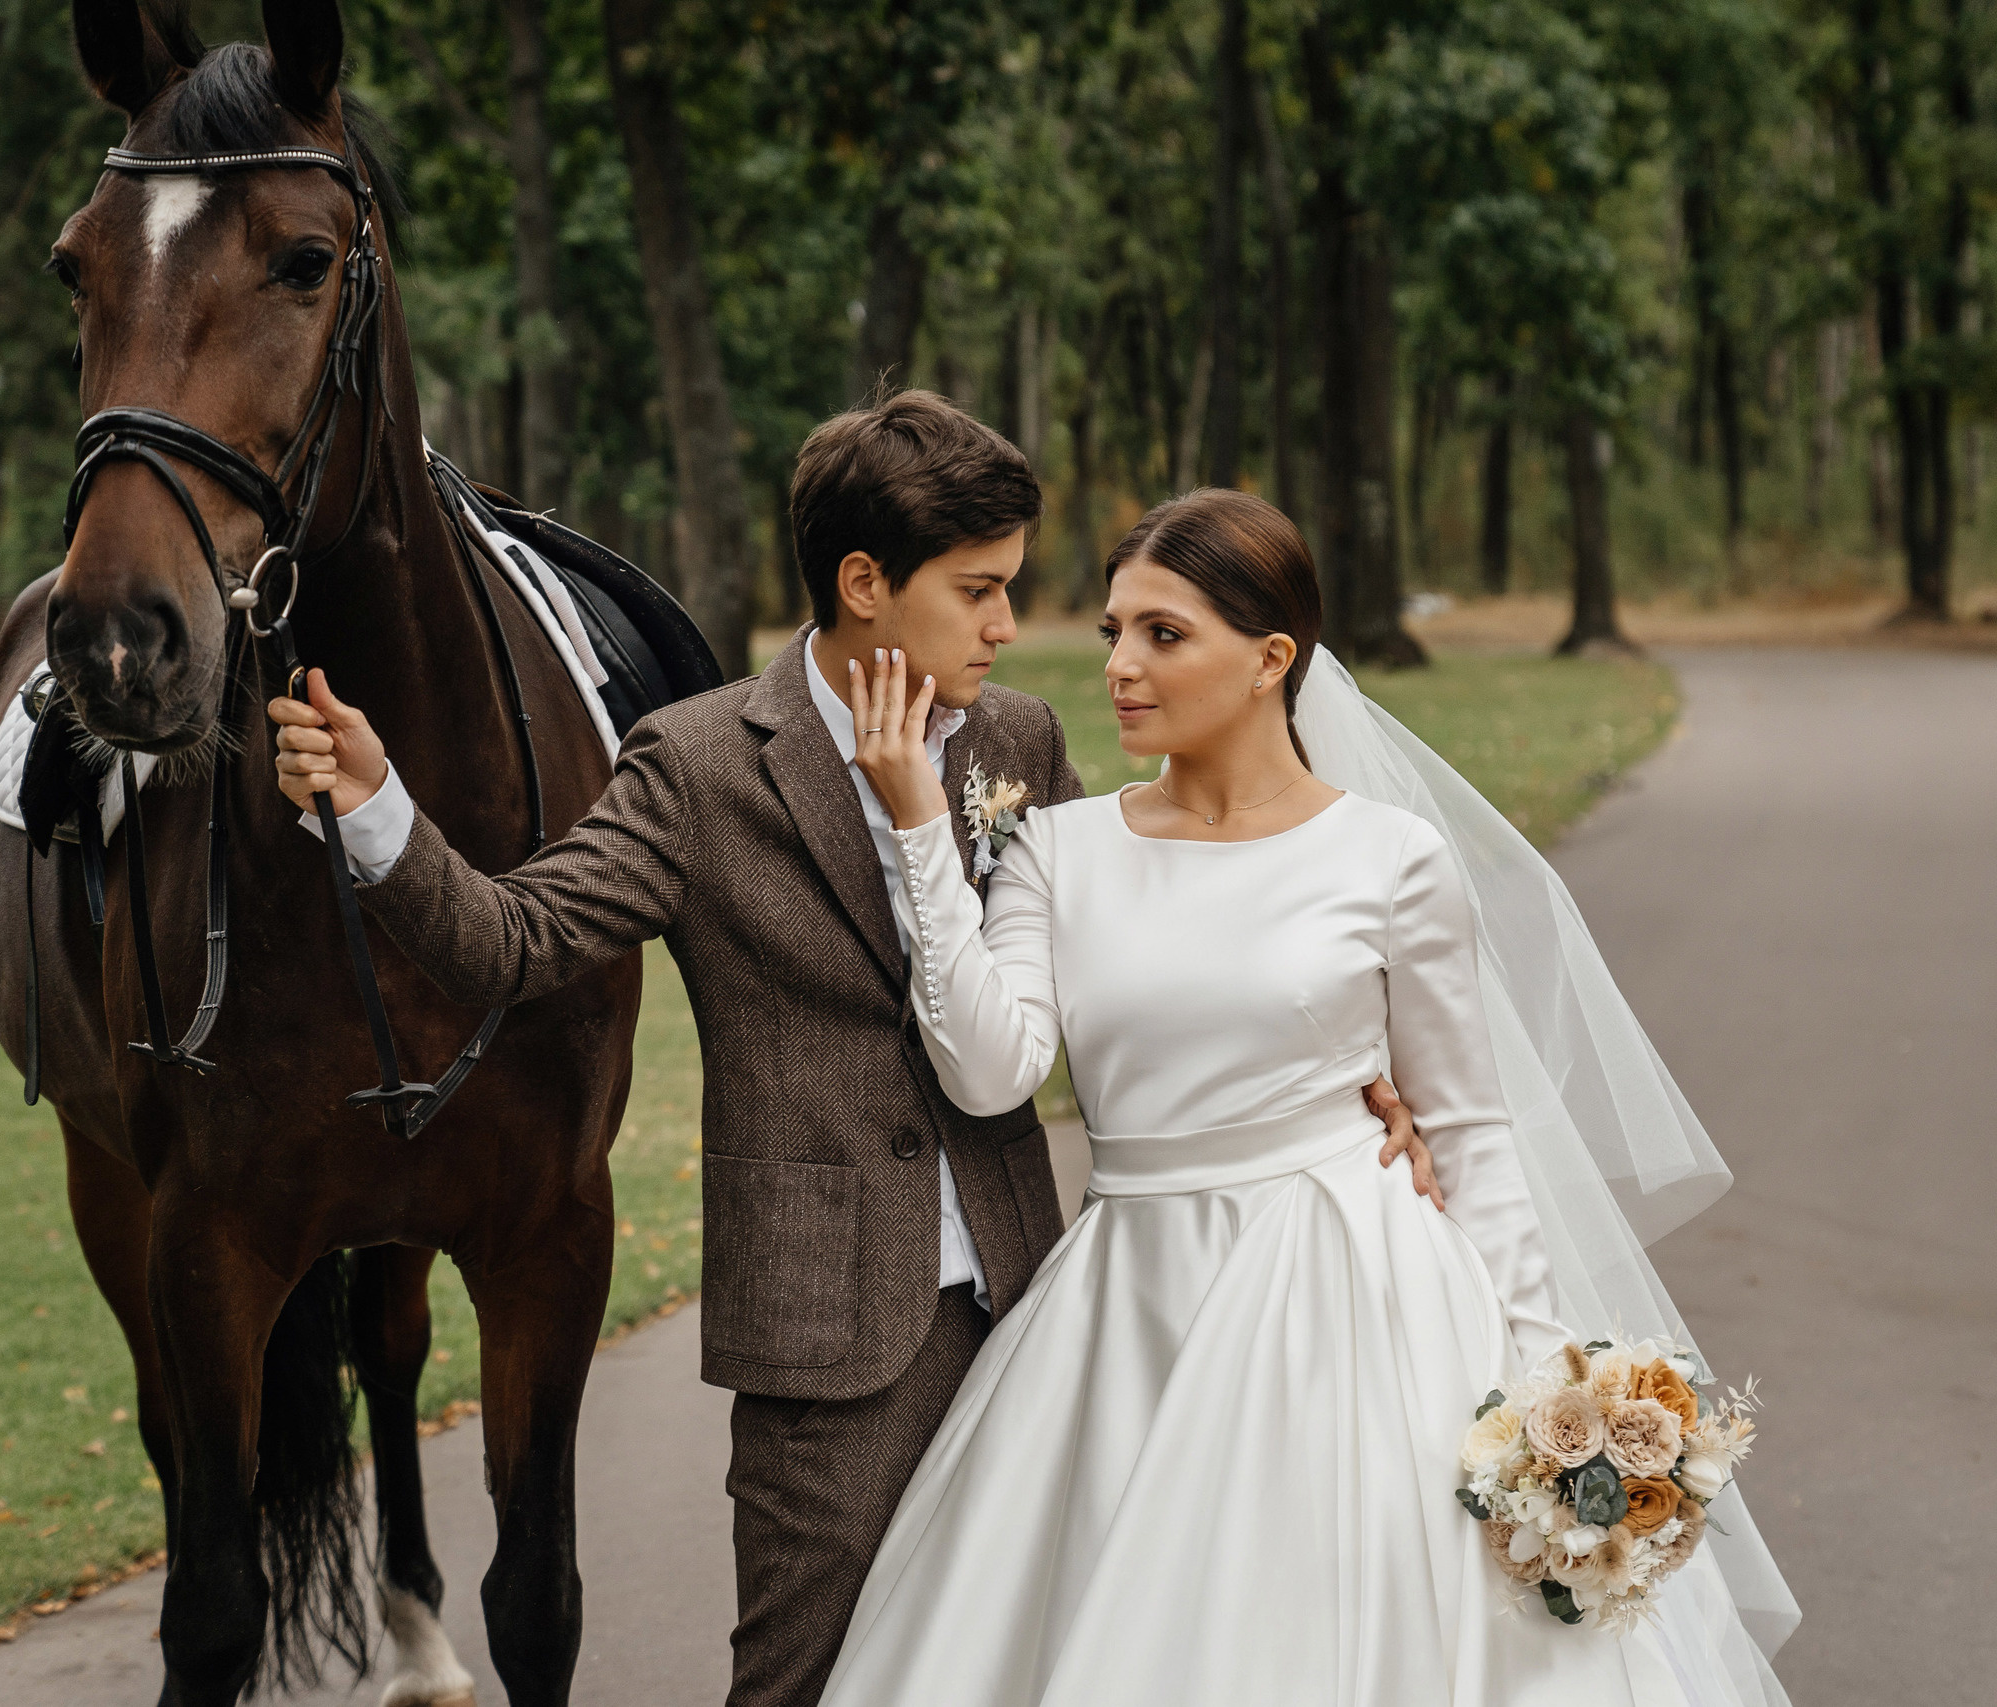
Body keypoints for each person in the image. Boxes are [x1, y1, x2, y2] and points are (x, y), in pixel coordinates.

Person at [265, 397, 1443, 1707]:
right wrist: (378, 811)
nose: (1008, 626)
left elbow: (1131, 951)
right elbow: (516, 936)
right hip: (827, 1335)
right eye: (980, 590)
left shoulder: (1018, 745)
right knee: (804, 1674)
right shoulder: (703, 763)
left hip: (1042, 1307)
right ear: (867, 583)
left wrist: (1331, 1079)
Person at [818, 489, 1796, 1707]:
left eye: (1163, 635)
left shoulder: (1387, 858)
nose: (1118, 666)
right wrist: (919, 824)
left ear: (1271, 658)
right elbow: (986, 1069)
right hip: (1131, 1305)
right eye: (1115, 629)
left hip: (1359, 1299)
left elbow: (1470, 1130)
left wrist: (1553, 1381)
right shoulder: (1060, 851)